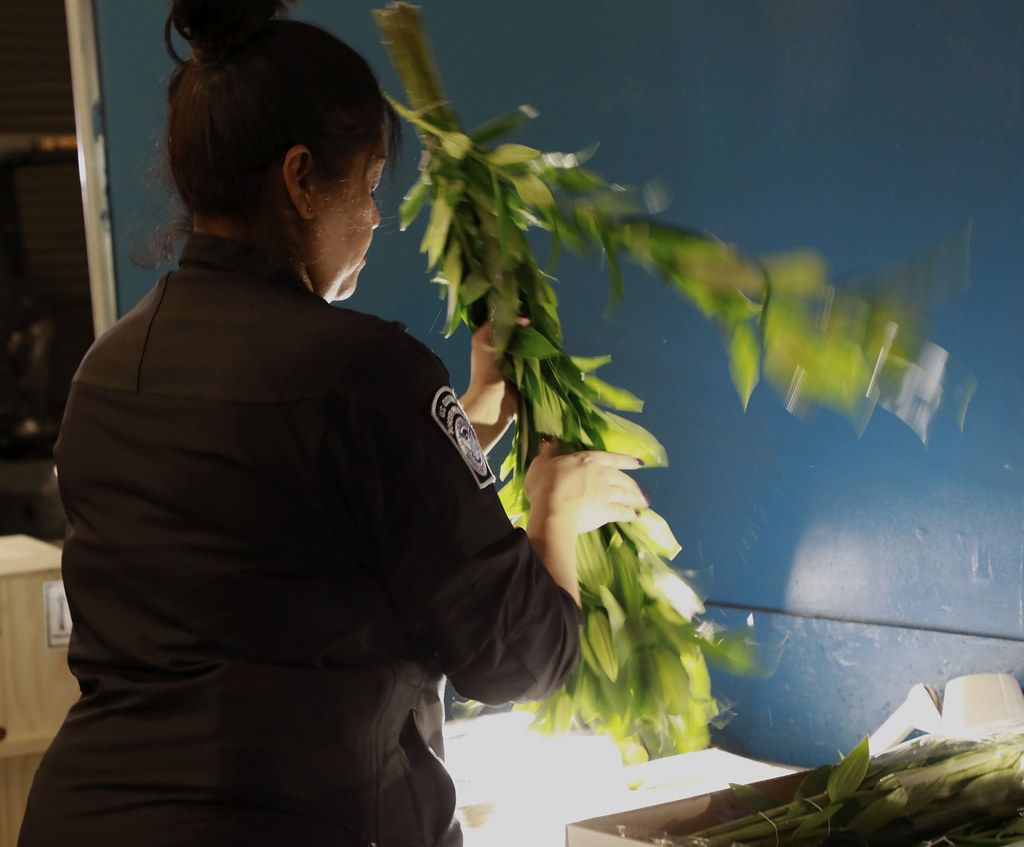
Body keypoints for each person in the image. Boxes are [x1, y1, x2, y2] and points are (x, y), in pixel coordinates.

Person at [17, 2, 648, 845]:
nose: (377, 219)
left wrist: (465, 432)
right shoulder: (368, 374)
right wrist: (554, 513)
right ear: (300, 176)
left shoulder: (108, 371)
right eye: (372, 184)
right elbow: (517, 657)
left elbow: (277, 524)